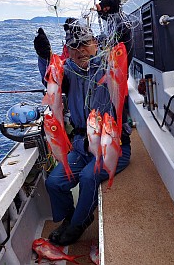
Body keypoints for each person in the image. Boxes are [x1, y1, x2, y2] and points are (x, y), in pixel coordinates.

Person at [45, 20, 131, 246]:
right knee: (53, 182)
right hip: (83, 145)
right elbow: (51, 80)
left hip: (113, 145)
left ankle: (78, 223)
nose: (80, 50)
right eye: (74, 46)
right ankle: (68, 218)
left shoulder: (106, 65)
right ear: (68, 50)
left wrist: (125, 35)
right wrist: (44, 57)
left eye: (85, 43)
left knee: (87, 177)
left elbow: (124, 56)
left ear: (95, 43)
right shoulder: (68, 71)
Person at [96, 0, 133, 65]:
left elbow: (121, 32)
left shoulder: (119, 18)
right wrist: (100, 12)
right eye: (104, 10)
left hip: (123, 51)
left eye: (106, 8)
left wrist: (110, 40)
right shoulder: (112, 17)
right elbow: (106, 16)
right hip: (118, 51)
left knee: (122, 69)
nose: (105, 11)